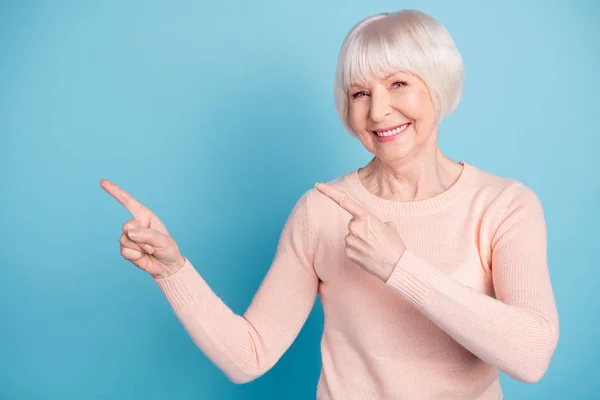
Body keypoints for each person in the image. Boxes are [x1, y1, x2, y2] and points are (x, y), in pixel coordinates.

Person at [100, 9, 559, 399]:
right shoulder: (321, 211)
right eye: (360, 93)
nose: (378, 111)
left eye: (398, 83)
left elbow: (532, 356)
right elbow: (249, 356)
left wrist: (398, 267)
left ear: (438, 87)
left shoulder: (504, 206)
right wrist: (171, 272)